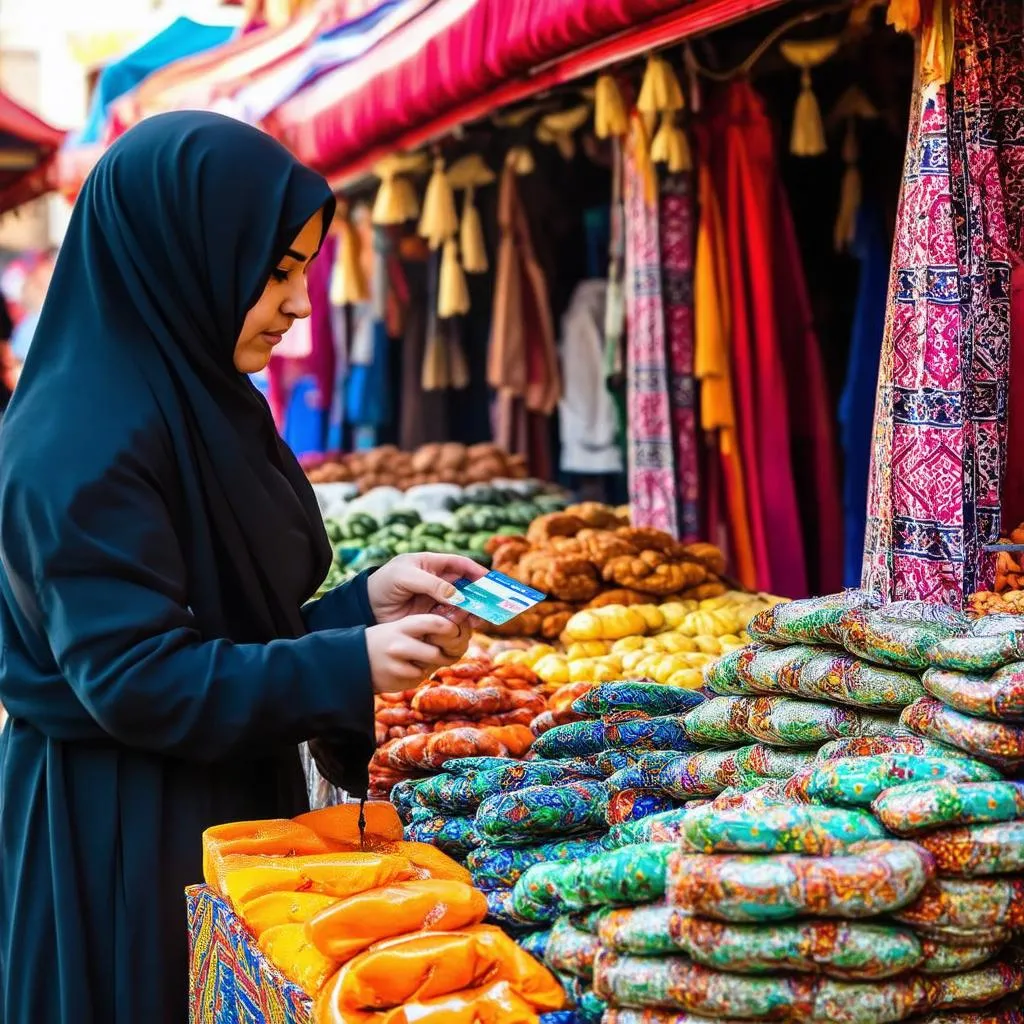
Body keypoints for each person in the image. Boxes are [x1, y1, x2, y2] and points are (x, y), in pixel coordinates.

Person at [0, 111, 483, 1023]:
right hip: (124, 836)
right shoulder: (79, 437)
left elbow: (218, 624)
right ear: (186, 254)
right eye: (279, 272)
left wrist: (358, 610)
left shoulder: (197, 397)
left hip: (214, 803)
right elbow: (137, 677)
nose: (300, 304)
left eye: (300, 270)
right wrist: (349, 662)